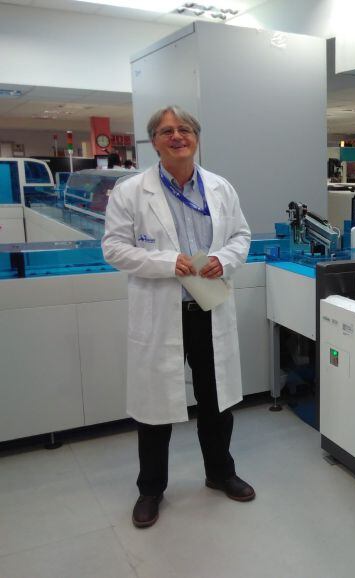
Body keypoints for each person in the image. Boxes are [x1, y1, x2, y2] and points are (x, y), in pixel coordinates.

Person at [102, 105, 254, 529]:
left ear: (196, 137)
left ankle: (220, 473)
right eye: (167, 131)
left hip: (208, 306)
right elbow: (113, 248)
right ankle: (151, 490)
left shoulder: (220, 188)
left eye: (184, 129)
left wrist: (224, 259)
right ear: (155, 141)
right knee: (155, 407)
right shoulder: (132, 191)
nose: (177, 136)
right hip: (161, 311)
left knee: (216, 400)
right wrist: (169, 262)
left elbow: (241, 235)